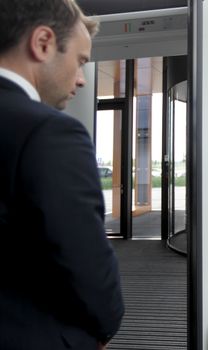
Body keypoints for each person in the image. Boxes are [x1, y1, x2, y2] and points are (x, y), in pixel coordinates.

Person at [0, 1, 124, 349]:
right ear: (42, 43)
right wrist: (104, 329)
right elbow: (87, 268)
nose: (83, 79)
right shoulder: (48, 132)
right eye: (81, 60)